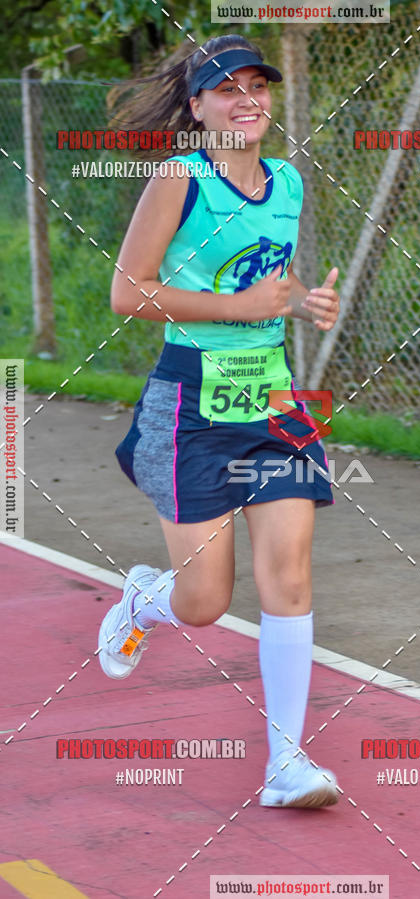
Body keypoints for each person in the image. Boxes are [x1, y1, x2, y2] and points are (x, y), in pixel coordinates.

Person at [97, 33, 341, 809]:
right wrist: (235, 309)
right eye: (226, 88)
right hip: (191, 401)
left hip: (271, 399)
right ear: (197, 106)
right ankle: (144, 599)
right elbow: (128, 292)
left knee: (291, 577)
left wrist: (304, 299)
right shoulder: (180, 178)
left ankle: (286, 763)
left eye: (257, 87)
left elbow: (268, 271)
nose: (247, 99)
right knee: (205, 601)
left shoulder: (290, 182)